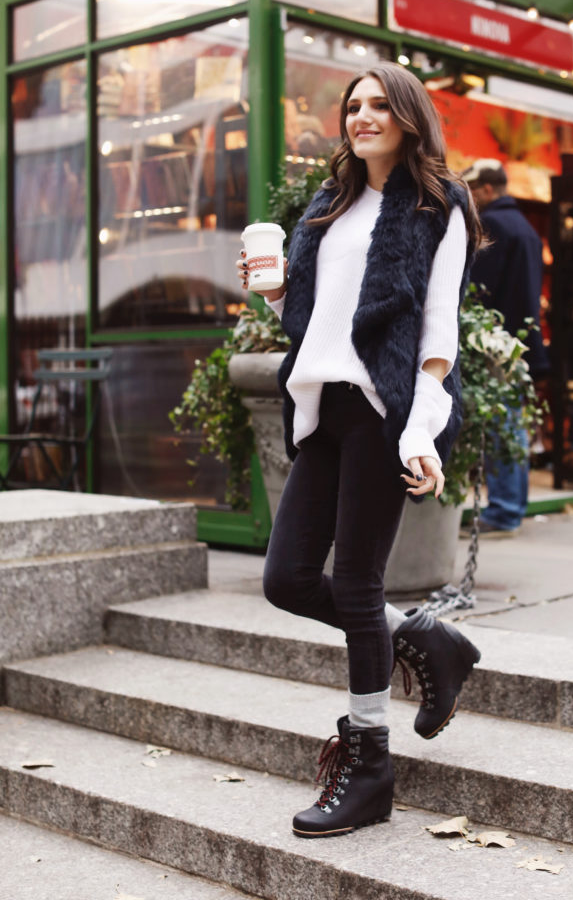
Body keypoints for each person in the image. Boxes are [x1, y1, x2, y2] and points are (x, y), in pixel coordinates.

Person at [237, 62, 482, 839]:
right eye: (353, 106)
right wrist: (276, 293)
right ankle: (425, 638)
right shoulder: (329, 203)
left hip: (382, 411)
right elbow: (313, 319)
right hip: (322, 409)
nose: (363, 116)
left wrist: (421, 428)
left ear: (410, 116)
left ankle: (370, 765)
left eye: (380, 104)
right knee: (286, 579)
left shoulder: (439, 203)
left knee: (354, 587)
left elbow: (438, 333)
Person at [461, 158, 550, 535]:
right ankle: (511, 506)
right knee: (509, 423)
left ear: (485, 190)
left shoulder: (494, 224)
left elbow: (478, 290)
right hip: (519, 341)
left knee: (501, 425)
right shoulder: (526, 228)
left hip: (496, 341)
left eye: (471, 192)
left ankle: (504, 510)